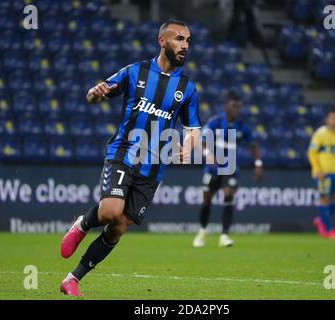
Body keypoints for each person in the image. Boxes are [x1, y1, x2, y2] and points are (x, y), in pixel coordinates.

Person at [59, 20, 202, 296]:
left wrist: (190, 145)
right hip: (124, 152)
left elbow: (193, 127)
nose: (185, 46)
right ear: (162, 41)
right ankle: (83, 224)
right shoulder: (135, 72)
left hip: (154, 167)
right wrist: (94, 92)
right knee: (110, 211)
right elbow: (96, 95)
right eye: (179, 39)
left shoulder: (187, 87)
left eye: (188, 41)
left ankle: (72, 279)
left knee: (120, 225)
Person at [193, 90, 263, 248]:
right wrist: (208, 155)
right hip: (212, 168)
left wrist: (258, 164)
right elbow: (200, 141)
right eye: (234, 106)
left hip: (230, 168)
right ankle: (203, 231)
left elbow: (253, 146)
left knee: (228, 195)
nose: (237, 109)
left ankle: (224, 235)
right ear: (226, 106)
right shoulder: (215, 122)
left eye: (239, 107)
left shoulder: (242, 126)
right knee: (207, 200)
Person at [308, 109, 335, 239]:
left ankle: (321, 219)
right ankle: (328, 230)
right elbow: (312, 152)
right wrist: (317, 169)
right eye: (332, 118)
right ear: (327, 119)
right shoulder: (320, 134)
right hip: (323, 173)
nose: (334, 121)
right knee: (324, 199)